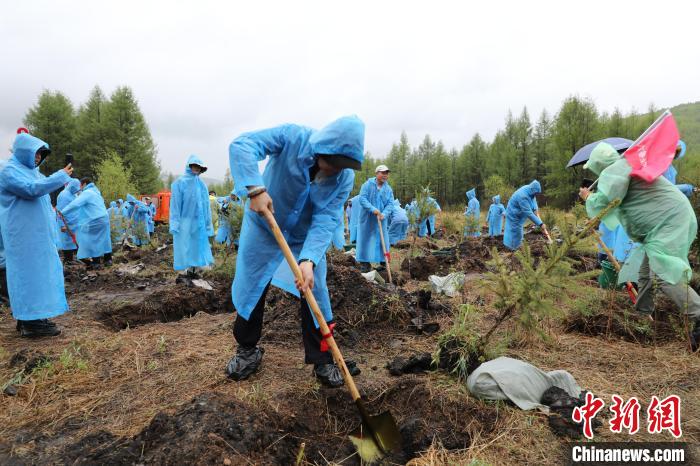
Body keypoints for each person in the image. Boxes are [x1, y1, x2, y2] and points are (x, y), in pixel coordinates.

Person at [225, 115, 364, 387]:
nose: (336, 171)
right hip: (265, 224)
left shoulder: (343, 177)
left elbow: (326, 219)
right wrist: (255, 189)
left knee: (315, 290)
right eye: (333, 163)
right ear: (322, 149)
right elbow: (242, 145)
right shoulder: (292, 137)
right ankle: (247, 348)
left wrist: (309, 259)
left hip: (304, 236)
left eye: (343, 166)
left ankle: (323, 361)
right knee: (253, 283)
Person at [581, 142, 700, 351]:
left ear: (598, 165)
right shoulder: (623, 169)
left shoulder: (615, 173)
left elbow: (606, 203)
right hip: (665, 223)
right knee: (645, 274)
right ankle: (642, 317)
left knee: (663, 275)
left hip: (668, 223)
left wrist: (589, 197)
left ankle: (698, 313)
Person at [0, 131, 73, 337]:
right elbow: (31, 190)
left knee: (41, 276)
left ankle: (35, 316)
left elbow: (40, 189)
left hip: (38, 237)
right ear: (24, 151)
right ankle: (29, 322)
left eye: (42, 154)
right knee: (27, 276)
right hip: (23, 237)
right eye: (36, 153)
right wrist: (60, 176)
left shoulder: (35, 173)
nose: (38, 158)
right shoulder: (7, 170)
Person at [170, 155, 215, 276]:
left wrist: (207, 223)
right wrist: (175, 222)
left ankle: (196, 267)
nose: (197, 168)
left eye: (199, 167)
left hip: (198, 220)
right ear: (189, 166)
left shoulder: (202, 185)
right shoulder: (179, 183)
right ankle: (185, 268)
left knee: (197, 242)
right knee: (184, 242)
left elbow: (206, 206)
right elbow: (175, 204)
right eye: (194, 165)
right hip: (184, 219)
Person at [60, 178, 113, 268]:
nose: (79, 187)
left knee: (91, 239)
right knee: (104, 238)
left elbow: (75, 204)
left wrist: (63, 212)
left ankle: (96, 263)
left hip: (95, 219)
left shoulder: (87, 193)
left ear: (84, 184)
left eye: (80, 185)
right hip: (104, 218)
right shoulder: (96, 192)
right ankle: (108, 260)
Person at [356, 165, 394, 273]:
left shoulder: (388, 189)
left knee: (384, 242)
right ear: (376, 173)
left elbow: (390, 204)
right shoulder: (367, 185)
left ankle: (383, 263)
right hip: (368, 219)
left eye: (386, 173)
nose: (385, 175)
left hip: (381, 219)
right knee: (365, 240)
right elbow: (362, 199)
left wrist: (384, 214)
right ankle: (364, 263)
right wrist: (373, 209)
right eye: (382, 173)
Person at [503, 180, 544, 250]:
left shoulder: (530, 190)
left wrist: (536, 209)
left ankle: (516, 245)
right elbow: (529, 213)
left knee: (517, 230)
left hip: (519, 213)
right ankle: (512, 248)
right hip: (513, 214)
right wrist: (540, 224)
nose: (536, 195)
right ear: (533, 190)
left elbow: (533, 199)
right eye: (536, 193)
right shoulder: (523, 196)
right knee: (515, 231)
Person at [55, 178, 81, 262]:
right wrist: (62, 224)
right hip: (66, 224)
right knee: (67, 243)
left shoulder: (74, 194)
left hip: (74, 223)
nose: (77, 190)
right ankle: (68, 261)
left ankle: (73, 260)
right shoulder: (63, 195)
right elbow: (59, 211)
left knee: (74, 242)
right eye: (75, 187)